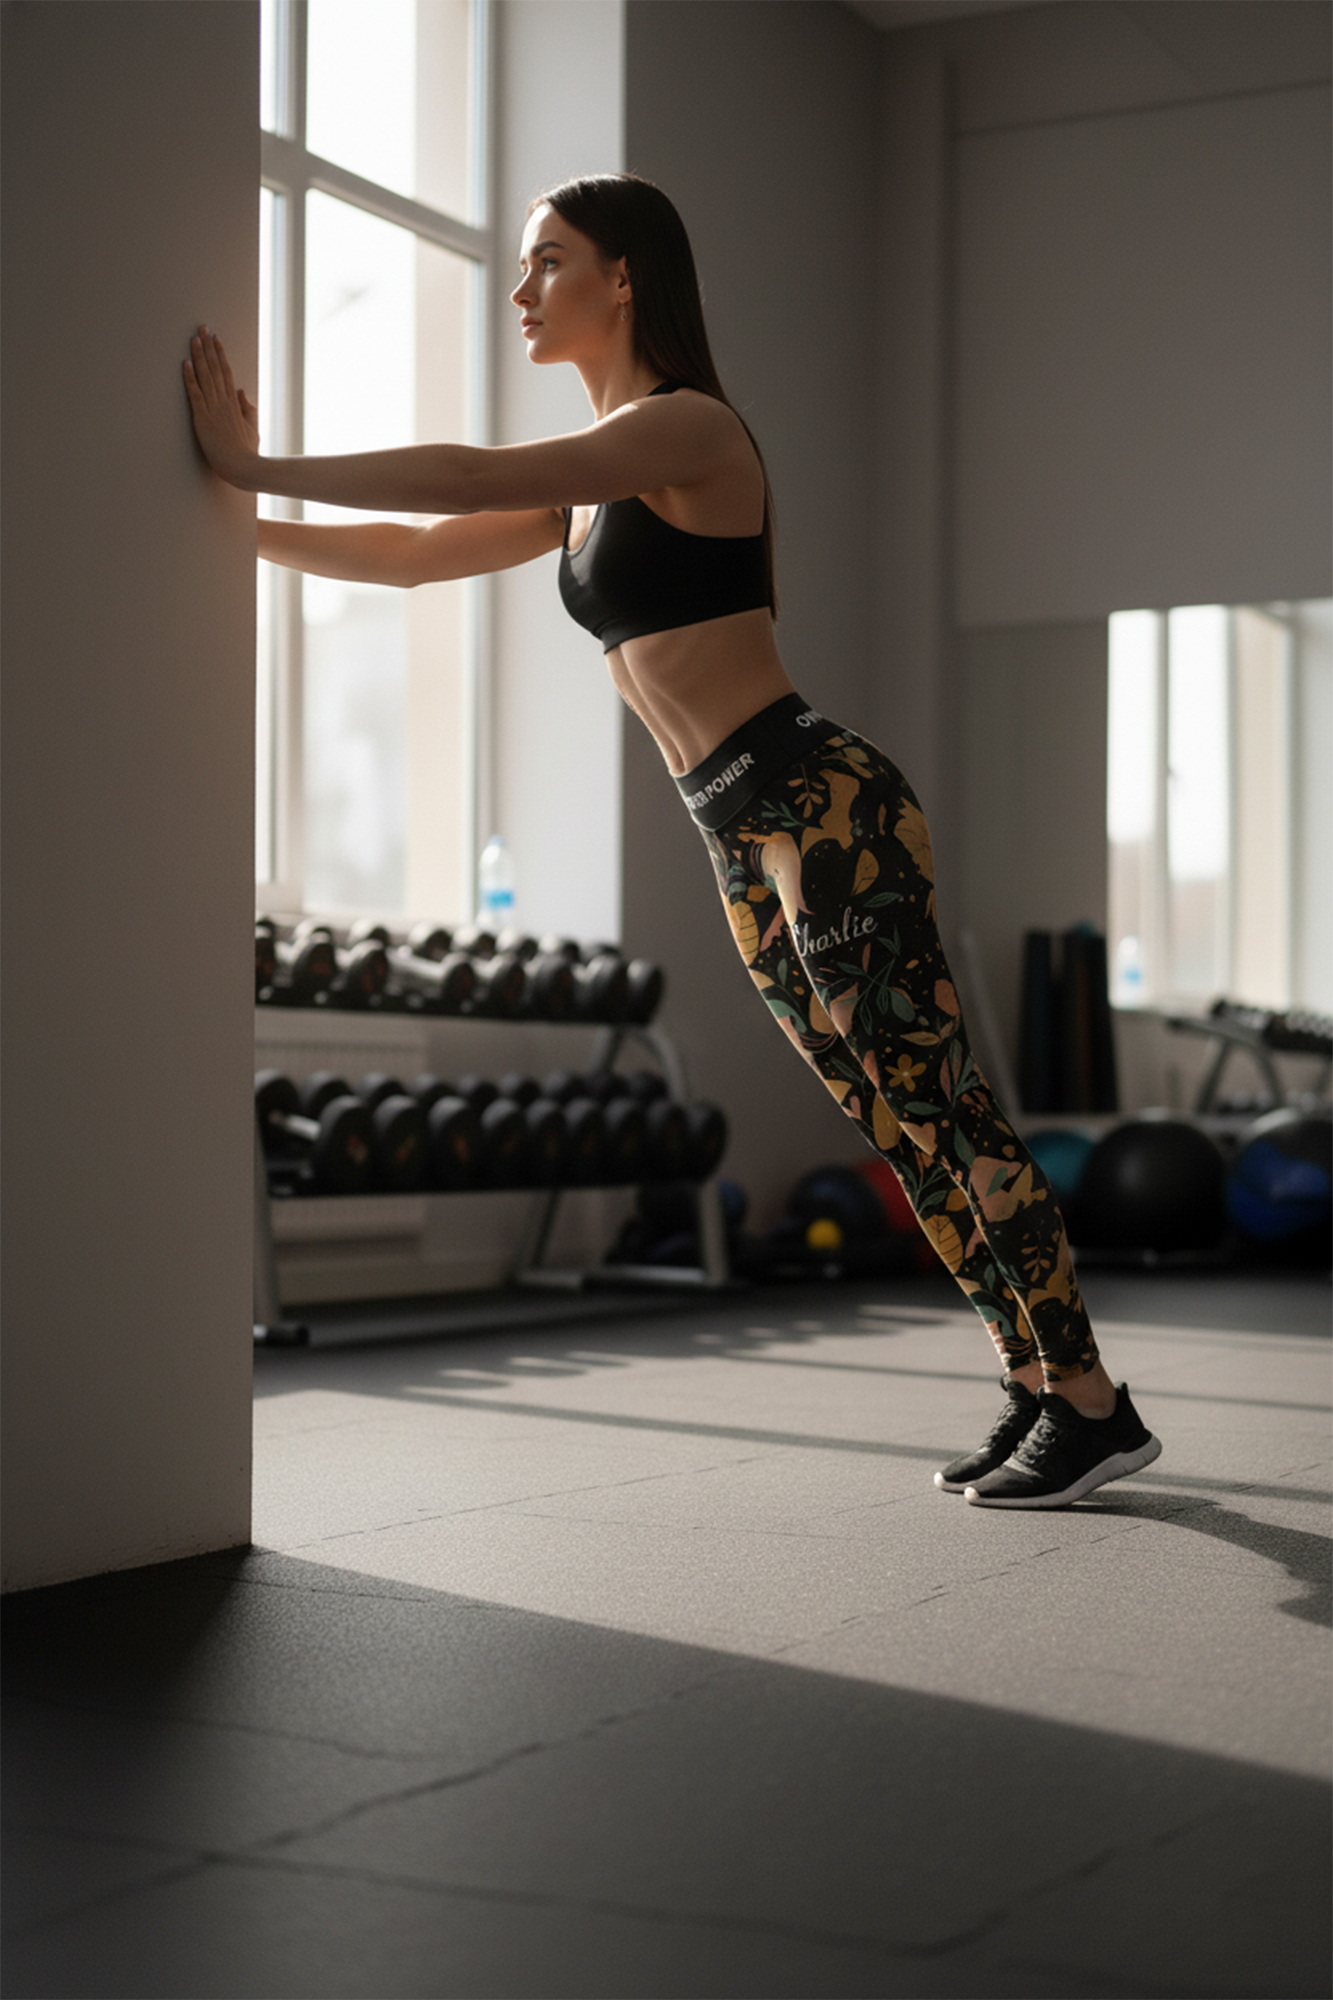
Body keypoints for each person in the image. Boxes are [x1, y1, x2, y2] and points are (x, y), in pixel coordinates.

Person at [185, 171, 1161, 1509]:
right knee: (896, 1126)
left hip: (823, 807)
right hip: (736, 836)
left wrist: (251, 463)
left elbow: (471, 468)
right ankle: (1035, 1384)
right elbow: (419, 552)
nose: (523, 290)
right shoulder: (594, 489)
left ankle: (1094, 1398)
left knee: (946, 1110)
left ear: (625, 275)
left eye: (547, 263)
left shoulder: (684, 429)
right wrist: (237, 528)